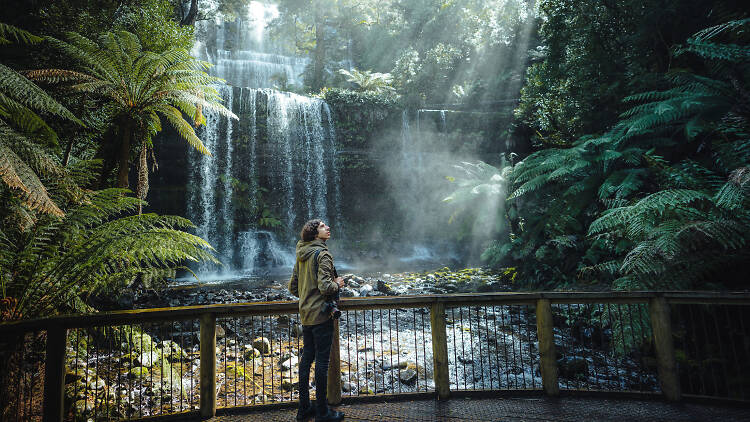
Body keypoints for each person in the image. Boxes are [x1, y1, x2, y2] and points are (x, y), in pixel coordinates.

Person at [289, 219, 345, 422]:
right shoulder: (322, 254)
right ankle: (322, 412)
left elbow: (293, 288)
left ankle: (304, 409)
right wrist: (337, 283)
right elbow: (325, 287)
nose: (328, 227)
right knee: (322, 363)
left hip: (306, 315)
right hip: (321, 316)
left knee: (306, 361)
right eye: (322, 226)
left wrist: (307, 296)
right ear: (314, 234)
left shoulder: (301, 255)